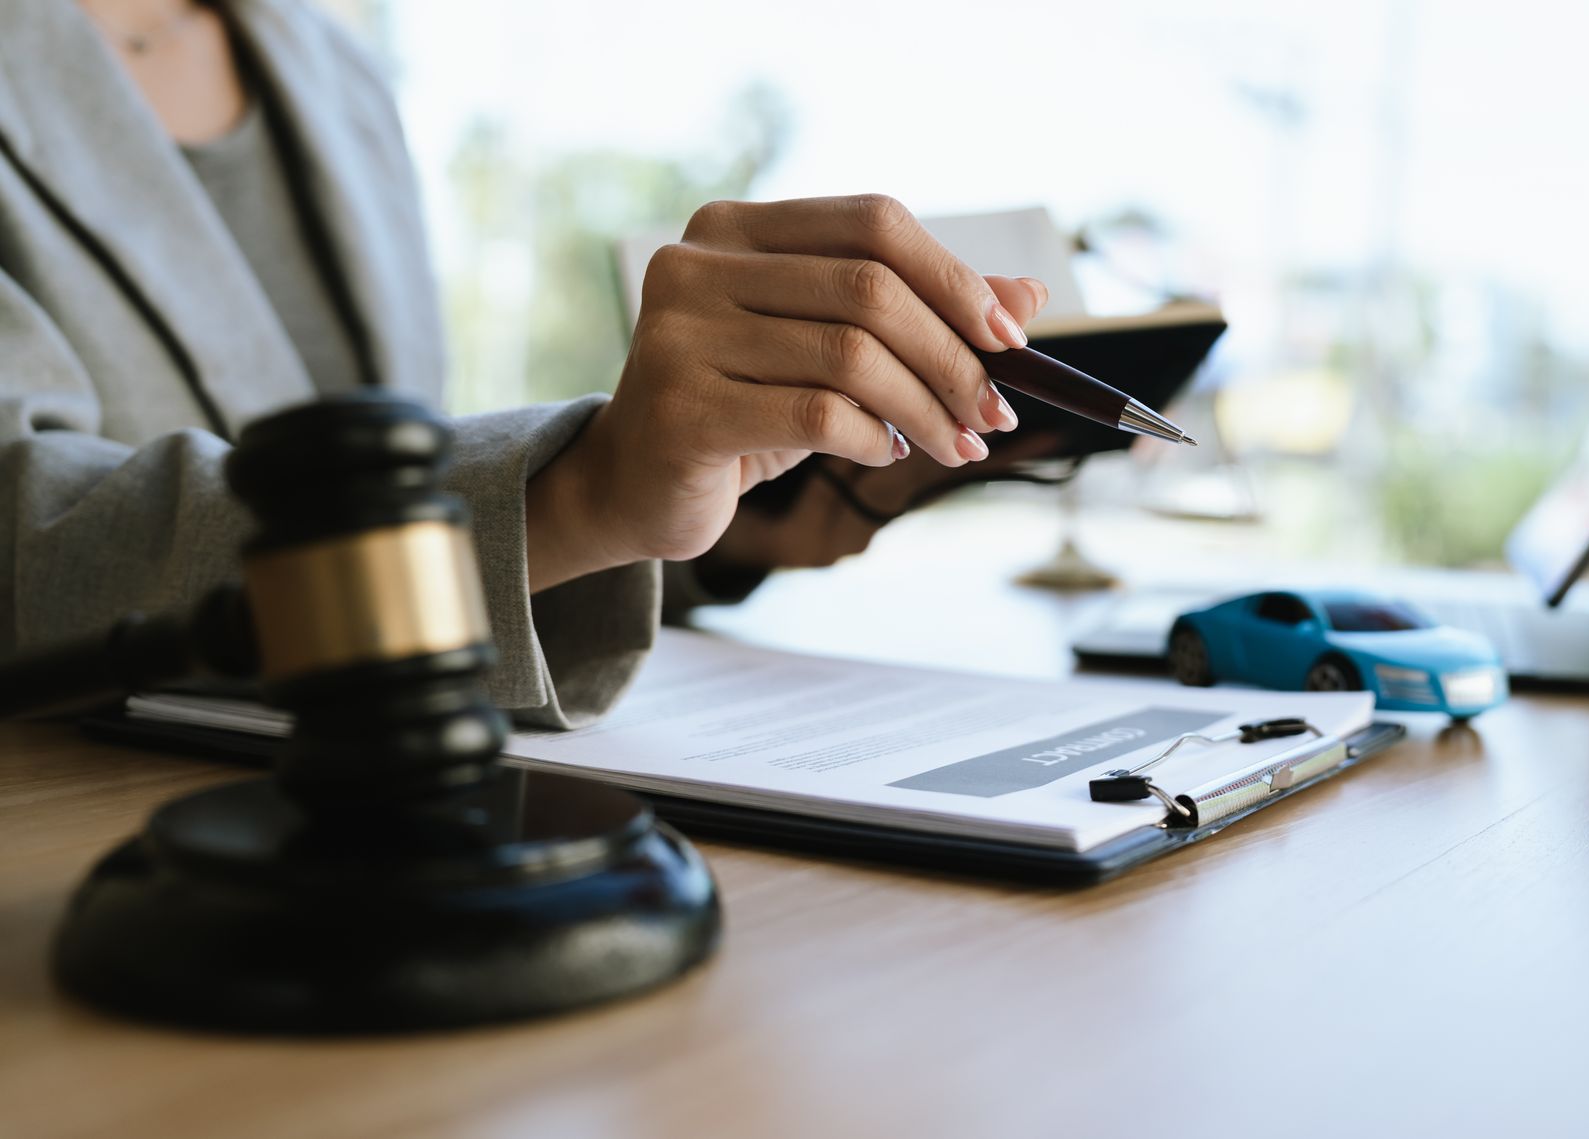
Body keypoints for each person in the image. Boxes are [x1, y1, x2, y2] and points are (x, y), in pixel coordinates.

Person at [0, 0, 1051, 726]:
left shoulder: (335, 72)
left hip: (381, 824)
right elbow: (29, 532)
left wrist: (701, 528)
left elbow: (407, 485)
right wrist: (575, 491)